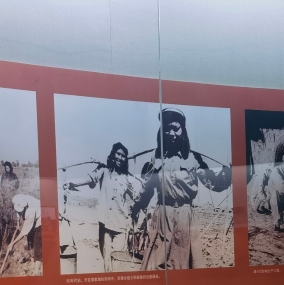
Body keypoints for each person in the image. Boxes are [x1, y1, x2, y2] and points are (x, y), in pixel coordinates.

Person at [134, 108, 230, 269]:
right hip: (162, 215)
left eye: (175, 128)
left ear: (183, 130)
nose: (171, 133)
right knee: (156, 264)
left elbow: (213, 184)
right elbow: (147, 189)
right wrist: (137, 207)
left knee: (182, 264)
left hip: (185, 217)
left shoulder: (194, 158)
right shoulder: (155, 157)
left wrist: (227, 174)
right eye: (167, 129)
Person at [64, 142, 143, 272]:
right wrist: (73, 183)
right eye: (118, 154)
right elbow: (90, 179)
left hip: (121, 225)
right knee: (106, 261)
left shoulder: (127, 178)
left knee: (118, 261)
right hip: (105, 223)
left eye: (123, 156)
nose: (120, 157)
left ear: (126, 159)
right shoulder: (104, 171)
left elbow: (139, 194)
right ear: (113, 155)